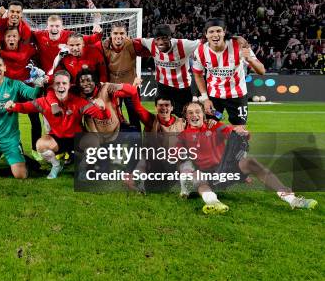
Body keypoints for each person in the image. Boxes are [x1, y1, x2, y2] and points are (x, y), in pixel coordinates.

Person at [176, 102, 317, 214]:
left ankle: (291, 199)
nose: (194, 115)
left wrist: (242, 132)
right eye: (190, 113)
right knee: (198, 177)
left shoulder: (215, 127)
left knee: (249, 162)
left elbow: (236, 133)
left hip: (225, 172)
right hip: (205, 176)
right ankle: (213, 203)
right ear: (186, 117)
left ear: (203, 115)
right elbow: (177, 157)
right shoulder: (183, 135)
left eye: (197, 112)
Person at [5, 70, 110, 179]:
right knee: (40, 145)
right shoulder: (44, 102)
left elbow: (103, 117)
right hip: (57, 138)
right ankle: (56, 165)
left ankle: (83, 168)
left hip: (76, 137)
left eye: (64, 83)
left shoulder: (79, 102)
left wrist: (103, 108)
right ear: (52, 86)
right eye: (57, 83)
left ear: (69, 85)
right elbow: (25, 107)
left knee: (94, 142)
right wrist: (12, 106)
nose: (61, 86)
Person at [193, 18, 266, 126]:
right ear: (206, 34)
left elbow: (262, 71)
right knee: (209, 128)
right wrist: (205, 99)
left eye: (218, 31)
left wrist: (250, 59)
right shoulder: (200, 51)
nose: (215, 35)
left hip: (237, 96)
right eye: (211, 32)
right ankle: (220, 118)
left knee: (239, 130)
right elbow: (198, 75)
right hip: (214, 97)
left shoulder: (239, 45)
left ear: (224, 32)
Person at [135, 24, 200, 117]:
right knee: (163, 116)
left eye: (164, 38)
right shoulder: (150, 43)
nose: (160, 42)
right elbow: (130, 42)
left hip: (183, 88)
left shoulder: (184, 45)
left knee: (185, 117)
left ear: (170, 37)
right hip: (163, 86)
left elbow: (203, 42)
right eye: (157, 39)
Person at [31, 14, 102, 75]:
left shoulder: (69, 35)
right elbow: (25, 35)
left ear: (62, 27)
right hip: (45, 74)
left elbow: (90, 39)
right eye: (51, 26)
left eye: (57, 26)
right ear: (47, 27)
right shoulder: (39, 35)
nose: (54, 28)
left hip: (65, 75)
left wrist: (99, 32)